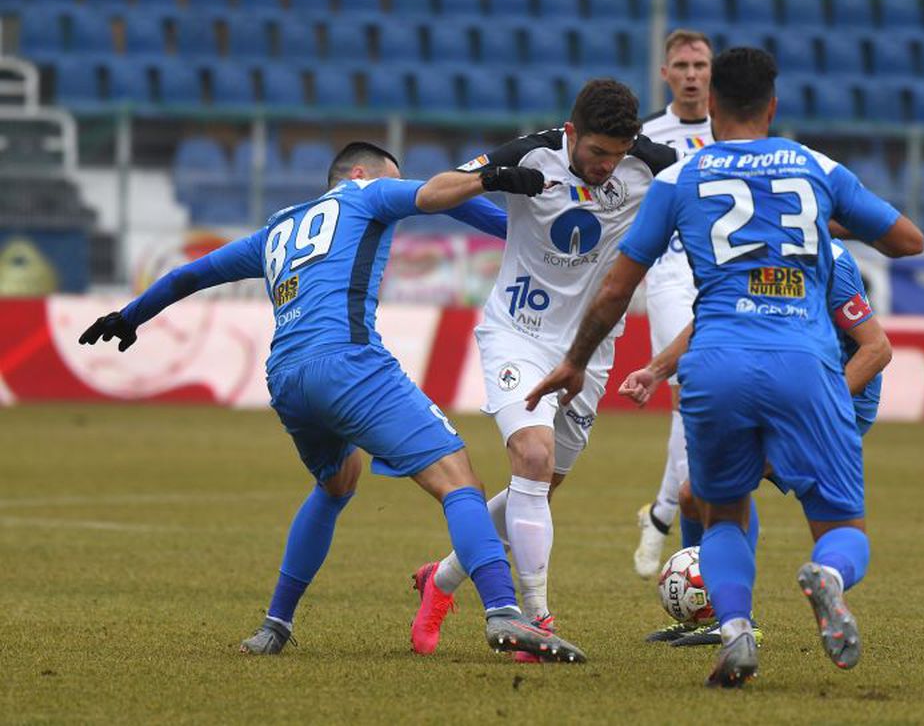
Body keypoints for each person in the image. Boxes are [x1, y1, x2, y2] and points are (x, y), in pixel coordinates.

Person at [78, 142, 585, 663]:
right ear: (361, 173)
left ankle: (274, 625)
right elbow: (440, 195)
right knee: (461, 482)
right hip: (346, 362)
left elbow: (192, 273)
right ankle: (504, 611)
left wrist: (132, 315)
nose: (402, 191)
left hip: (287, 378)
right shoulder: (367, 193)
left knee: (337, 481)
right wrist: (505, 206)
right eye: (395, 180)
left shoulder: (276, 228)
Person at [524, 48, 924, 687]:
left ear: (709, 108)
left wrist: (576, 361)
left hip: (714, 365)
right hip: (804, 362)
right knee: (842, 527)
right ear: (772, 106)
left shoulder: (681, 178)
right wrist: (818, 227)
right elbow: (908, 241)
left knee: (722, 511)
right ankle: (827, 574)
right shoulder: (815, 166)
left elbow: (615, 288)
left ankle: (734, 630)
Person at [409, 80, 677, 659]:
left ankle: (444, 579)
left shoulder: (651, 165)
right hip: (517, 336)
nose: (608, 166)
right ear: (572, 133)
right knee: (531, 458)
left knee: (535, 490)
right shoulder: (531, 153)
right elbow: (432, 195)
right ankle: (538, 622)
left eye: (619, 154)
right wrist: (494, 179)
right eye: (597, 152)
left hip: (588, 351)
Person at [621, 238, 892, 646]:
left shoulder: (830, 259)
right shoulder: (743, 252)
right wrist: (656, 371)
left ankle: (736, 619)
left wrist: (824, 405)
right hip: (778, 385)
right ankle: (717, 612)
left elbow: (876, 348)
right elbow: (707, 321)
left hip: (836, 395)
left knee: (713, 491)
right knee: (693, 496)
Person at [634, 29, 717, 581]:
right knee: (691, 388)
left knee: (696, 401)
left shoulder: (734, 132)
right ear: (665, 73)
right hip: (667, 273)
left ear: (713, 73)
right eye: (682, 65)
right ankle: (683, 528)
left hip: (721, 274)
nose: (691, 74)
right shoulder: (643, 138)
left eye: (701, 65)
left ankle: (663, 513)